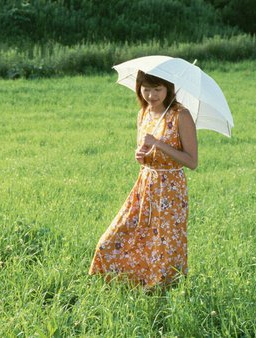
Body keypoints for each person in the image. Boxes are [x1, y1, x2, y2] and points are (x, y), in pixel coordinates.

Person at [88, 70, 198, 289]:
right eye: (146, 88)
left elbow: (192, 161)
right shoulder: (144, 113)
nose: (151, 95)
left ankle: (160, 290)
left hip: (170, 190)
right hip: (144, 184)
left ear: (169, 88)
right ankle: (134, 282)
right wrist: (140, 154)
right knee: (113, 238)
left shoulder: (181, 115)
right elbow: (144, 152)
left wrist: (159, 144)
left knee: (163, 244)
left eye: (157, 89)